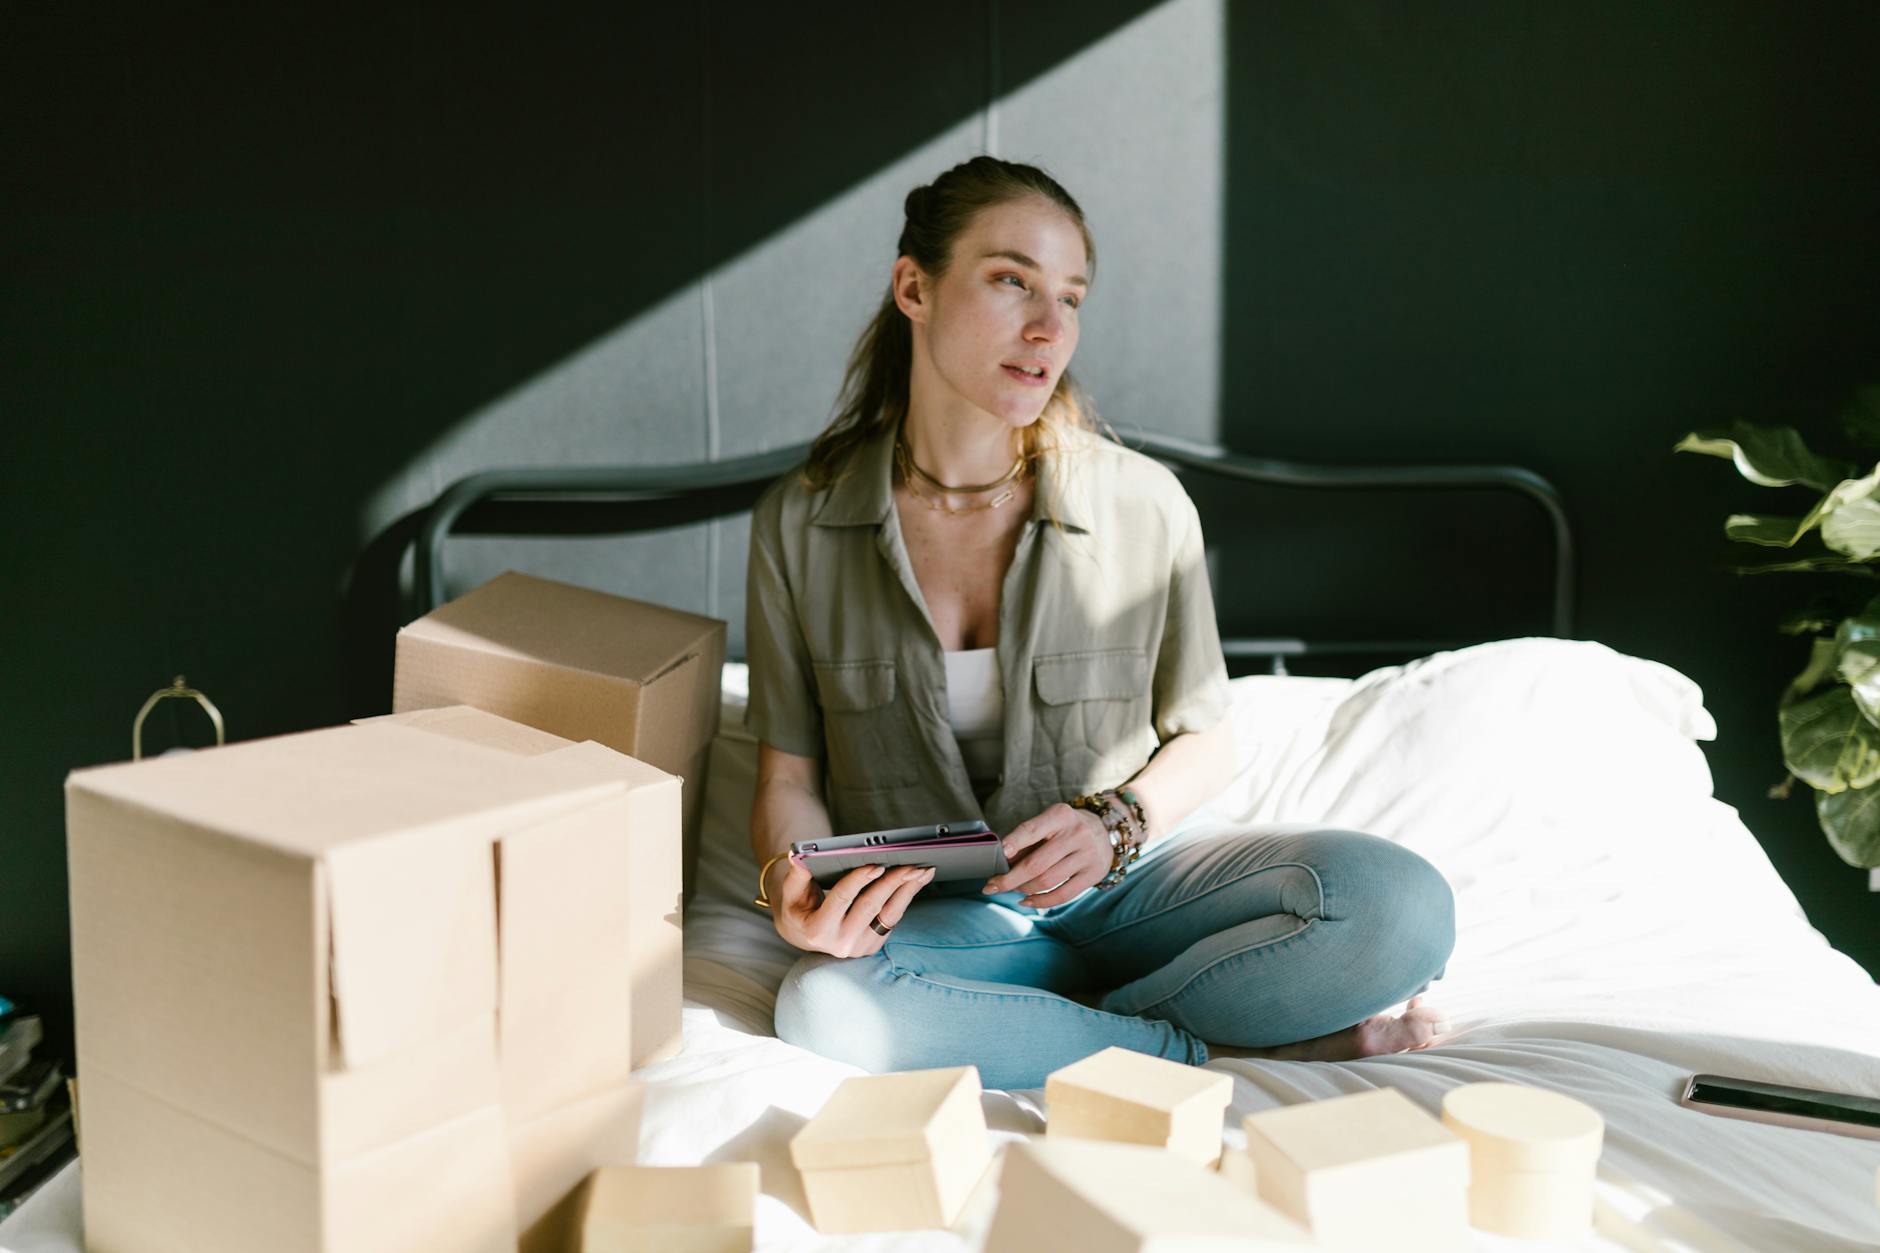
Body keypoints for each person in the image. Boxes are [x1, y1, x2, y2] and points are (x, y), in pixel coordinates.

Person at [744, 156, 1454, 1091]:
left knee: (1400, 905)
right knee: (819, 1004)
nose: (1049, 328)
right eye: (1012, 281)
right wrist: (786, 893)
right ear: (914, 287)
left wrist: (1116, 823)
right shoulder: (801, 520)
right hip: (950, 920)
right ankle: (1211, 1047)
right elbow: (789, 777)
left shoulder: (1144, 506)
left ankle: (1056, 1029)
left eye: (1071, 298)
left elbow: (1204, 737)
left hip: (1140, 892)